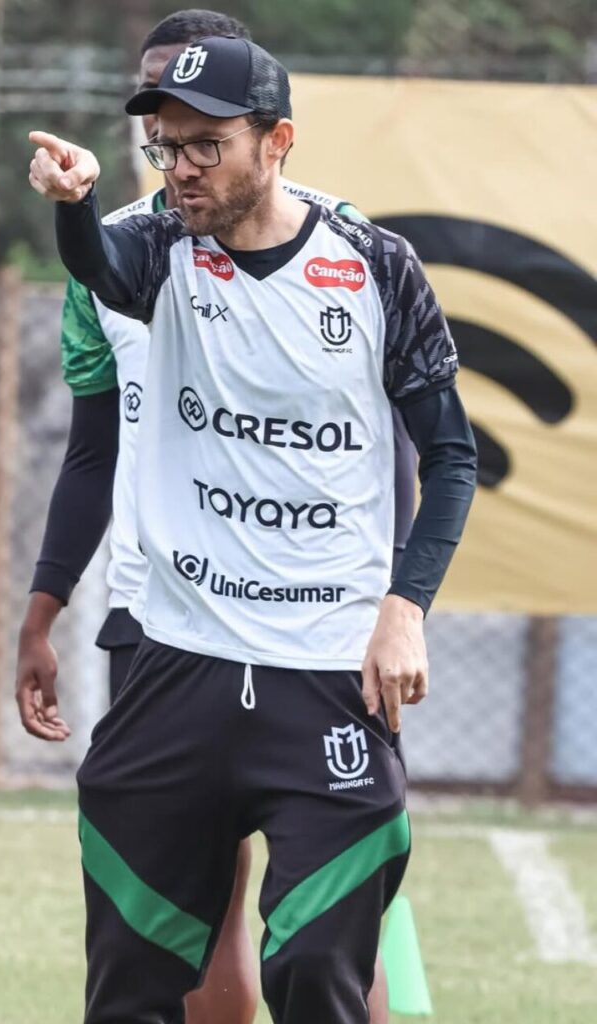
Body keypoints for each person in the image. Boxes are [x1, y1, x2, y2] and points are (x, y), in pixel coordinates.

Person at [27, 33, 477, 1024]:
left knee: (319, 967)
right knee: (133, 983)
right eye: (166, 146)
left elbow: (450, 457)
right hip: (176, 666)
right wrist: (74, 206)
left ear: (275, 141)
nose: (181, 168)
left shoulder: (372, 266)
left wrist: (403, 609)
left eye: (205, 146)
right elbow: (99, 265)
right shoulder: (157, 249)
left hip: (324, 669)